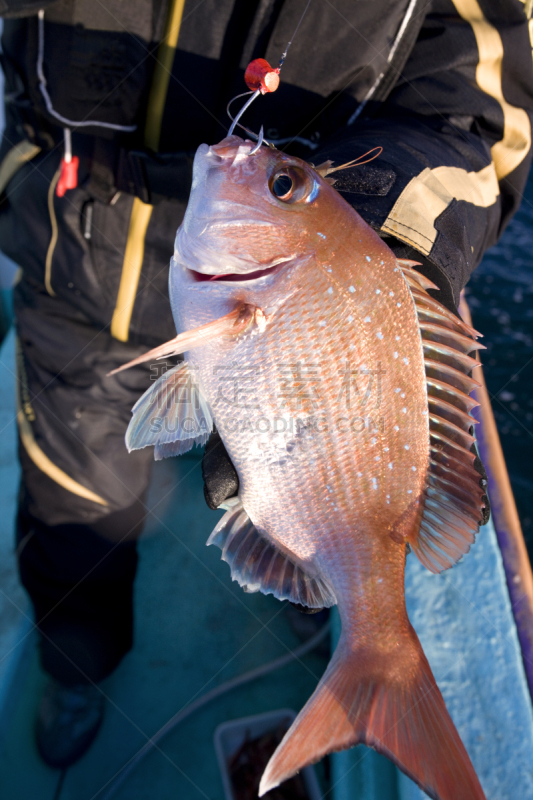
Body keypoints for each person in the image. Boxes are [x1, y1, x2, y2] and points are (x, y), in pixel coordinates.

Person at [0, 0, 531, 769]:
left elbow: (487, 84)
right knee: (74, 511)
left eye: (276, 183)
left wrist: (379, 257)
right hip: (72, 254)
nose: (242, 155)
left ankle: (329, 608)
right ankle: (78, 667)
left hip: (310, 264)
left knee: (297, 509)